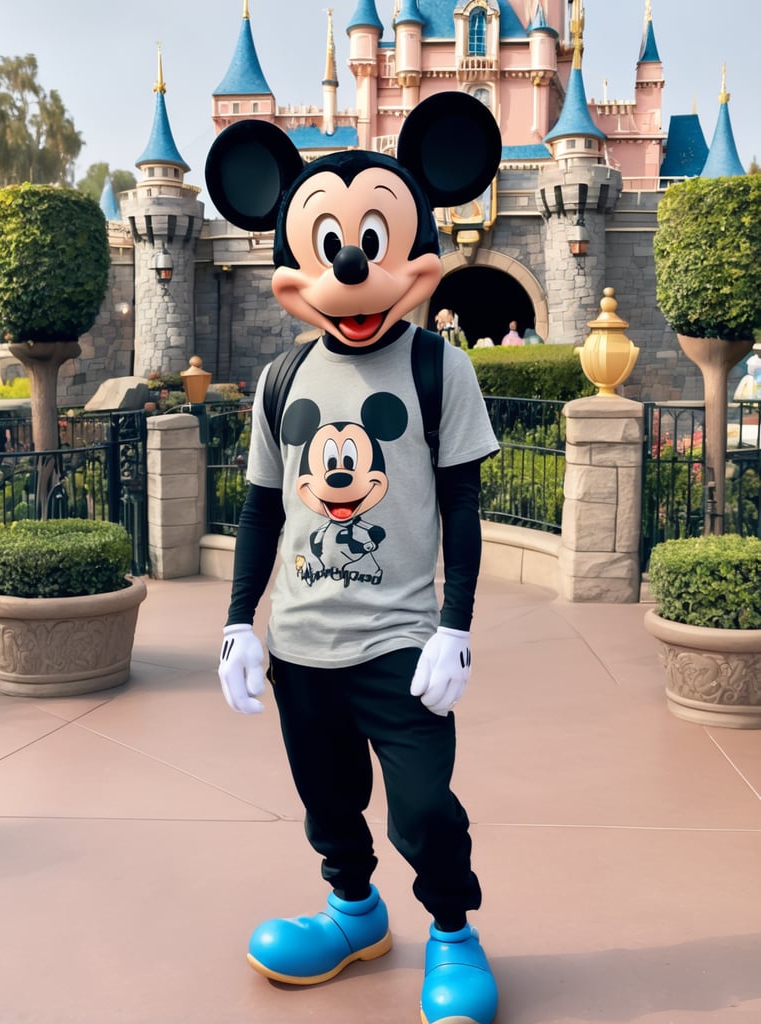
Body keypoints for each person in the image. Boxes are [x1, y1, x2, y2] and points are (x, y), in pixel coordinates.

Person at [207, 92, 501, 1024]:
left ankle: (451, 931)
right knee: (328, 804)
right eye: (328, 243)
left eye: (371, 238)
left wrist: (455, 628)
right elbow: (260, 508)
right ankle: (353, 912)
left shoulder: (435, 367)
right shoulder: (280, 377)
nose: (349, 263)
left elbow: (461, 499)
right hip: (300, 646)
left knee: (422, 810)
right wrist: (236, 625)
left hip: (399, 643)